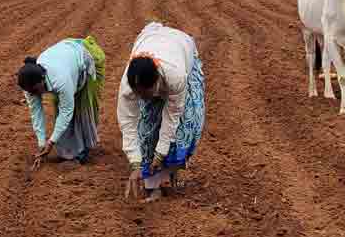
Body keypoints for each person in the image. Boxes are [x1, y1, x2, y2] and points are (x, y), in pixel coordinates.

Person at [117, 22, 206, 203]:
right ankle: (153, 187)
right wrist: (135, 163)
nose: (143, 98)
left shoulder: (176, 76)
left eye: (146, 94)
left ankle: (172, 171)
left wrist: (160, 153)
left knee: (185, 127)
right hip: (151, 41)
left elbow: (172, 115)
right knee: (147, 129)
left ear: (157, 81)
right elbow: (128, 124)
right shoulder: (127, 87)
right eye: (139, 94)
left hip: (181, 48)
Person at [17, 36, 106, 171]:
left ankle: (83, 152)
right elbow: (36, 113)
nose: (34, 94)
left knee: (81, 112)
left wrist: (51, 142)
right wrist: (42, 143)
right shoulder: (30, 87)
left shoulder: (60, 79)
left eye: (35, 91)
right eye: (30, 92)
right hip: (65, 58)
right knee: (61, 115)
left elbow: (66, 112)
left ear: (42, 80)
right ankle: (70, 152)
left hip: (83, 61)